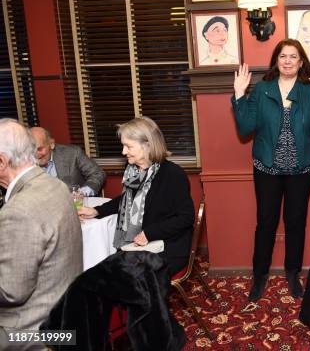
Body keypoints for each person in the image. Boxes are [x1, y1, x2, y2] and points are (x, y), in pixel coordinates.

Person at [231, 38, 310, 301]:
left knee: (296, 223)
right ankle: (259, 276)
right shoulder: (263, 88)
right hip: (267, 168)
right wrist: (239, 95)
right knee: (265, 223)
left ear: (301, 62)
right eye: (283, 56)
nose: (287, 61)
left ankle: (292, 273)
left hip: (302, 169)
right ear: (276, 60)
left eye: (293, 56)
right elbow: (245, 129)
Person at [78, 117, 194, 276]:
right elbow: (126, 200)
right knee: (103, 269)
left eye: (128, 146)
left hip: (167, 245)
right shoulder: (132, 169)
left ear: (147, 145)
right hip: (139, 243)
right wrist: (97, 211)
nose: (123, 152)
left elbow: (186, 217)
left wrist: (150, 233)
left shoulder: (173, 175)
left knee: (120, 275)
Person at [0, 119, 83, 331]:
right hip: (66, 316)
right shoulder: (56, 185)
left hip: (30, 334)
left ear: (2, 161)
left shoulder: (18, 211)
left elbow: (11, 291)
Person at [31, 126, 106, 196]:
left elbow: (97, 173)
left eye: (39, 149)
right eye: (31, 150)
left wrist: (82, 193)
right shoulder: (24, 162)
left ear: (51, 144)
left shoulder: (72, 153)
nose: (36, 155)